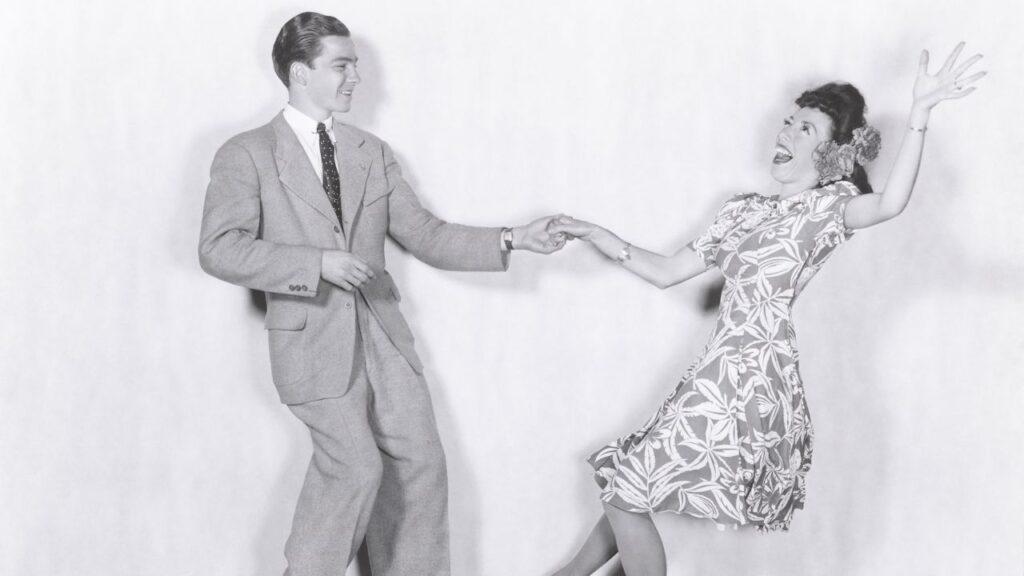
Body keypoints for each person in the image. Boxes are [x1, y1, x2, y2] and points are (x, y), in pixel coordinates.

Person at [548, 44, 985, 576]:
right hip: (716, 368)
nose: (787, 132)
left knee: (628, 490)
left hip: (752, 374)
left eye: (806, 129)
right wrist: (595, 233)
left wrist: (919, 114)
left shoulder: (828, 207)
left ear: (831, 153)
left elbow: (890, 203)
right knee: (628, 486)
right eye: (789, 122)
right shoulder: (741, 211)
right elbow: (665, 271)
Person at [198, 12, 566, 576]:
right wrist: (315, 263)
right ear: (299, 72)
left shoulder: (371, 151)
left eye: (356, 66)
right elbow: (219, 248)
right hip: (310, 343)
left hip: (384, 337)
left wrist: (514, 237)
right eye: (341, 66)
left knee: (421, 468)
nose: (356, 78)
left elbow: (427, 235)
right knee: (354, 467)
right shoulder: (246, 153)